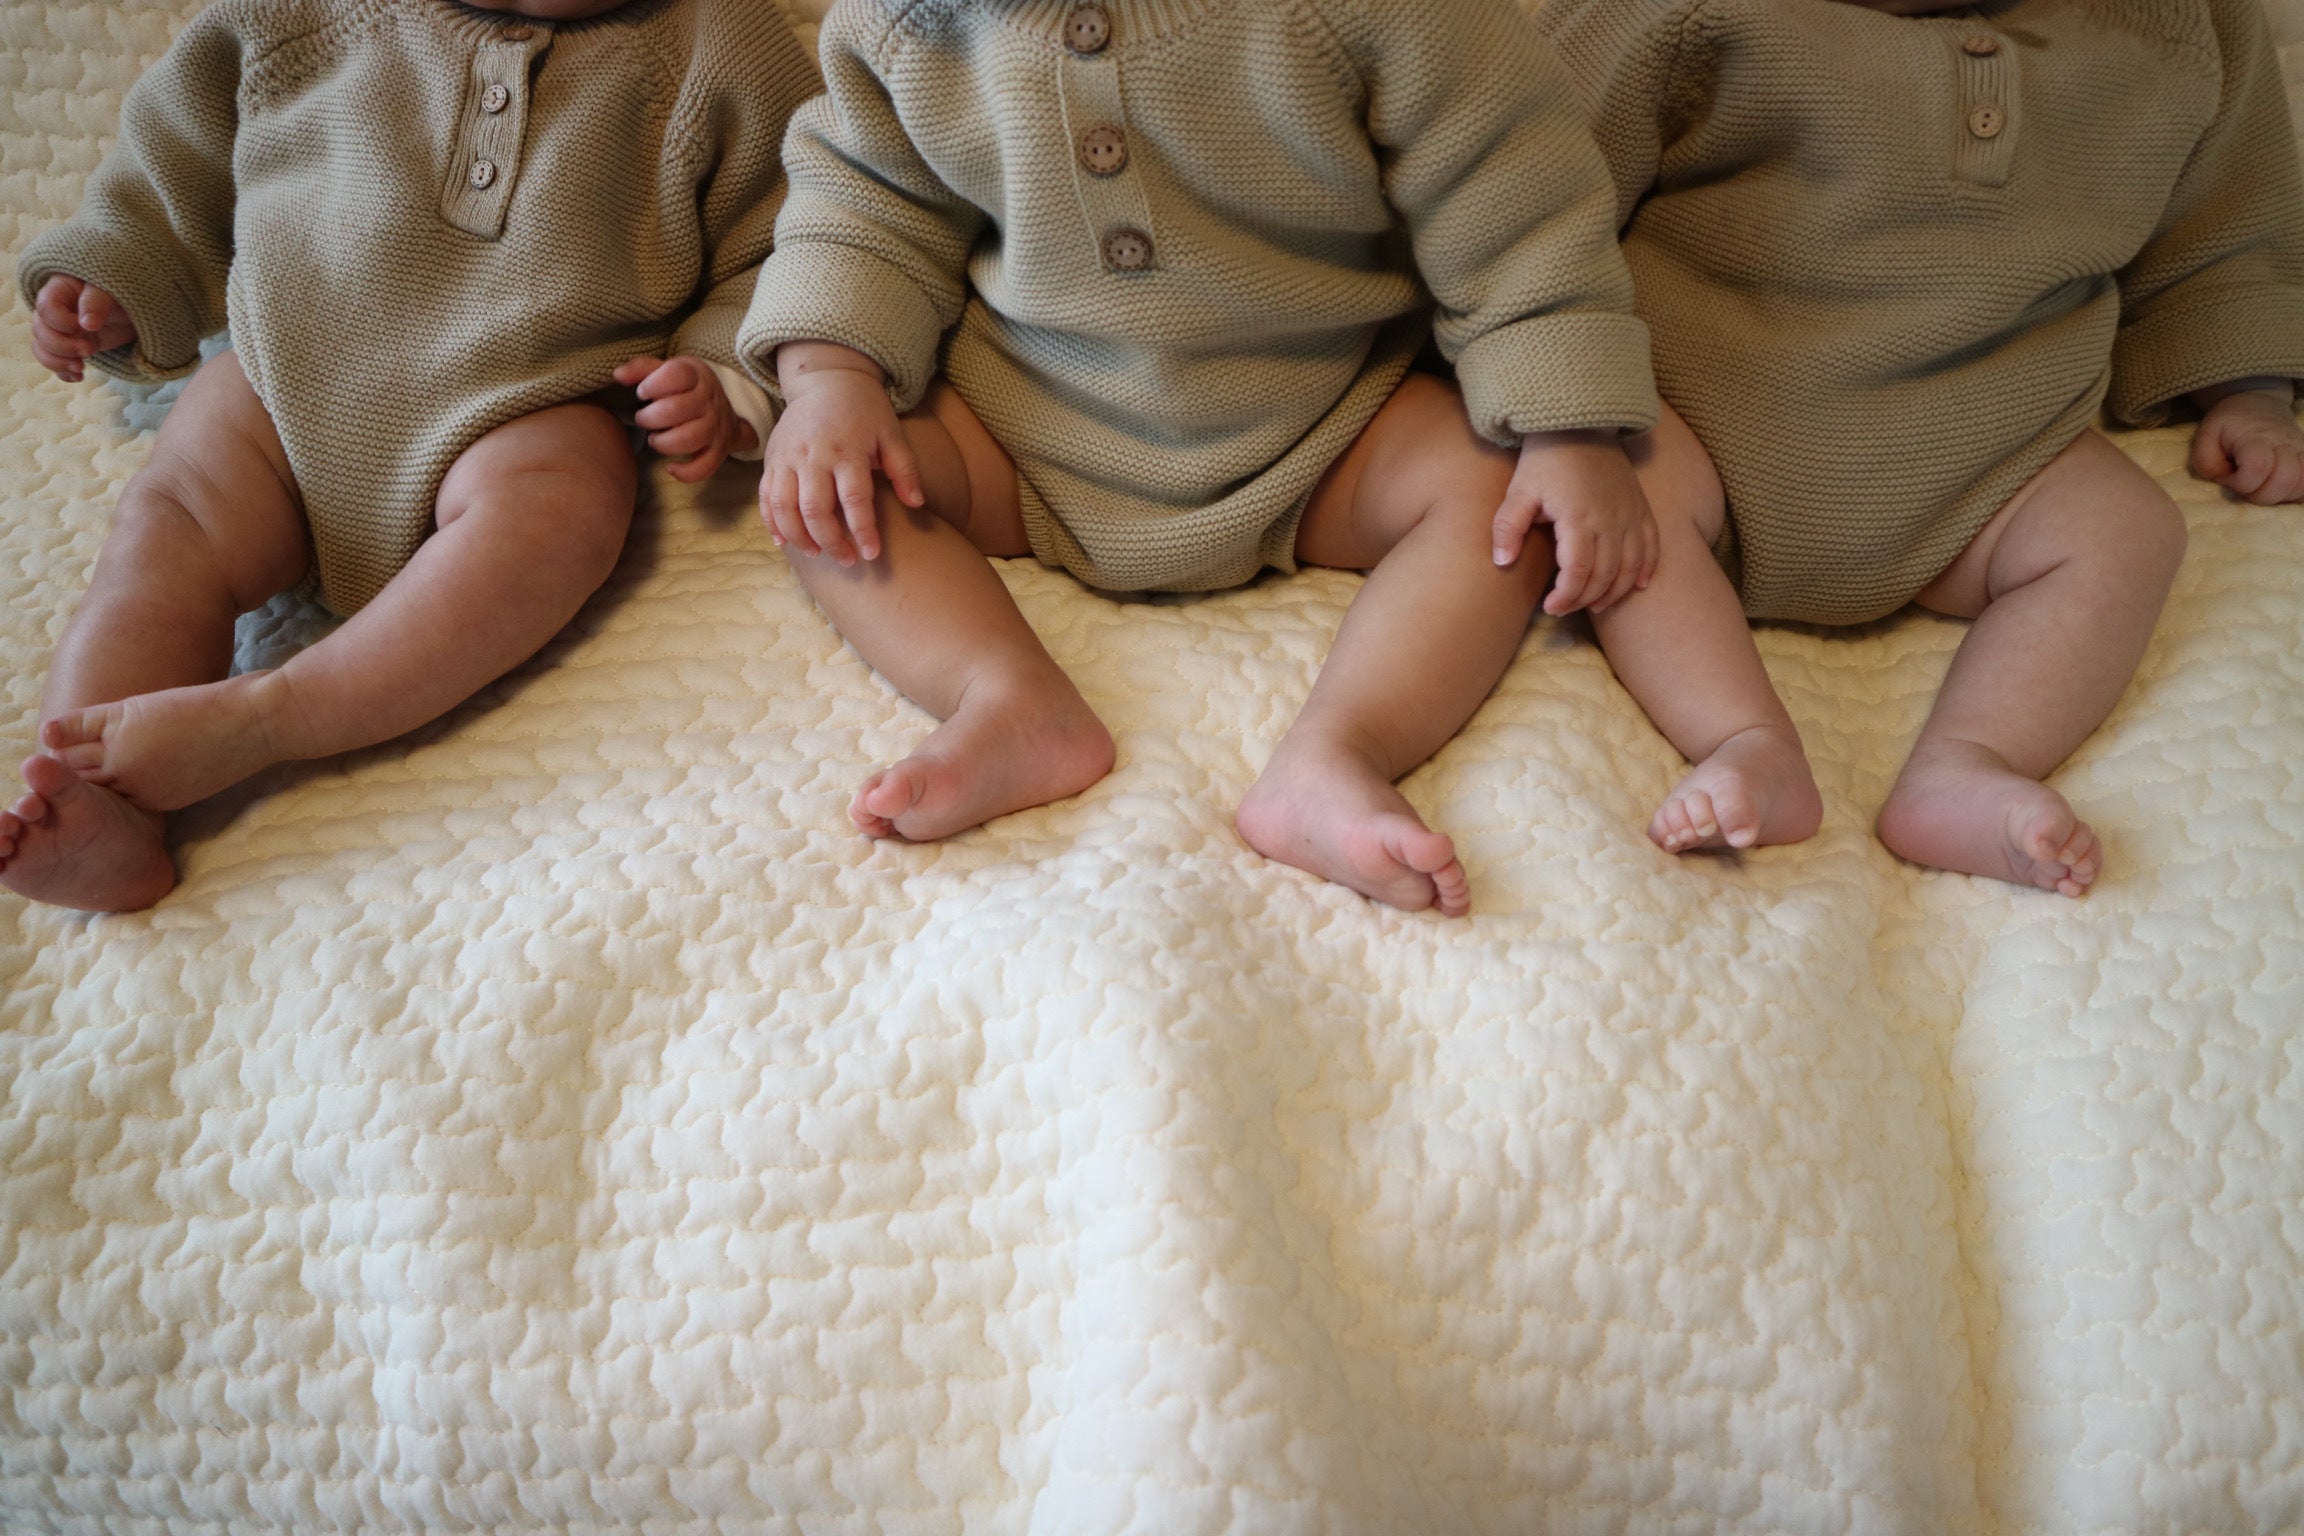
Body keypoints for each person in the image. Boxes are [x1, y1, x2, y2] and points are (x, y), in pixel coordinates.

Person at [742, 0, 1664, 918]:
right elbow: (862, 202)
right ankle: (1003, 698)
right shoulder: (913, 21)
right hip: (1016, 423)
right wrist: (832, 377)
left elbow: (1513, 200)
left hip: (1328, 426)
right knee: (827, 486)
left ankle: (1340, 751)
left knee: (1501, 497)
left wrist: (1567, 428)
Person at [0, 0, 820, 912]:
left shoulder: (722, 45)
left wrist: (720, 377)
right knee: (165, 528)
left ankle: (276, 715)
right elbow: (179, 151)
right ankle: (88, 797)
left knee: (569, 509)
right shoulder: (298, 12)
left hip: (519, 405)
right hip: (283, 375)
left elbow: (790, 233)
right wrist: (122, 271)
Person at [1540, 0, 2304, 895]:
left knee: (2128, 531)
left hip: (1991, 454)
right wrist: (1564, 404)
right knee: (1614, 507)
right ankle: (1744, 739)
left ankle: (1965, 764)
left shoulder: (2172, 21)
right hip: (1703, 417)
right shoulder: (1683, 16)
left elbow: (2228, 218)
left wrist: (2247, 385)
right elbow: (1540, 189)